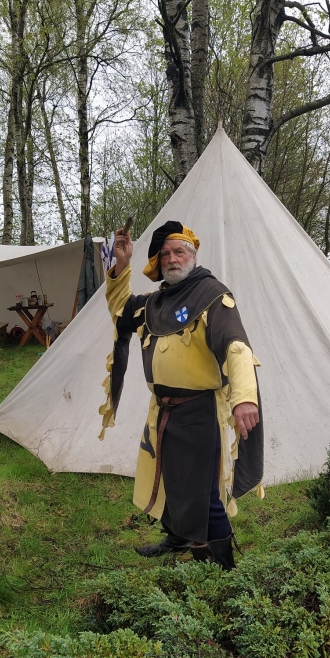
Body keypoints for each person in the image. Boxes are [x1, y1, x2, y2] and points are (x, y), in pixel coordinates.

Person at [99, 219, 264, 569]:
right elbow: (121, 312)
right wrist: (122, 264)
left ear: (192, 256)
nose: (172, 259)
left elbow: (236, 346)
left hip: (199, 412)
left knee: (204, 492)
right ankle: (177, 537)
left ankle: (223, 565)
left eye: (179, 252)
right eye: (165, 254)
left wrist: (244, 397)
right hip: (162, 410)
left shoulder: (212, 295)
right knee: (168, 478)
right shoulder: (156, 302)